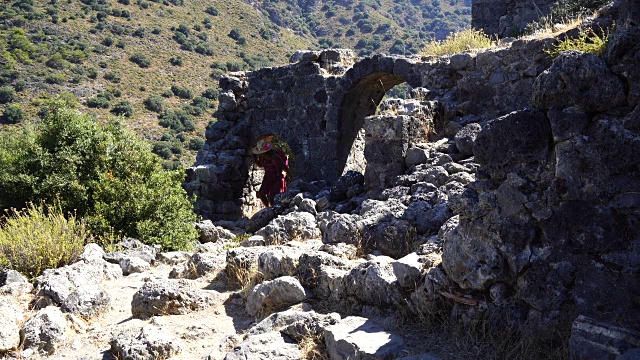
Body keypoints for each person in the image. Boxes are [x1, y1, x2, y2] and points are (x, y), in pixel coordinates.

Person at [252, 136, 290, 208]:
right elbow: (260, 165)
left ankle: (275, 212)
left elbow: (283, 166)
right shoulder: (261, 157)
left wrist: (290, 175)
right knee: (261, 194)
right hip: (267, 177)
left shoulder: (274, 157)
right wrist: (255, 158)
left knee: (273, 197)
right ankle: (268, 209)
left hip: (276, 177)